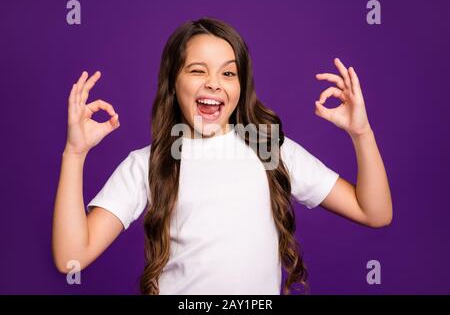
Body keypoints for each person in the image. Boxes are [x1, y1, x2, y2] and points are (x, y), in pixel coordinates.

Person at [52, 17, 392, 295]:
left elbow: (373, 212)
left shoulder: (269, 149)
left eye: (228, 73)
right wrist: (74, 154)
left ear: (241, 86)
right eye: (198, 70)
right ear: (173, 83)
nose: (214, 83)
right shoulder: (148, 163)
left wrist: (362, 134)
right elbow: (71, 258)